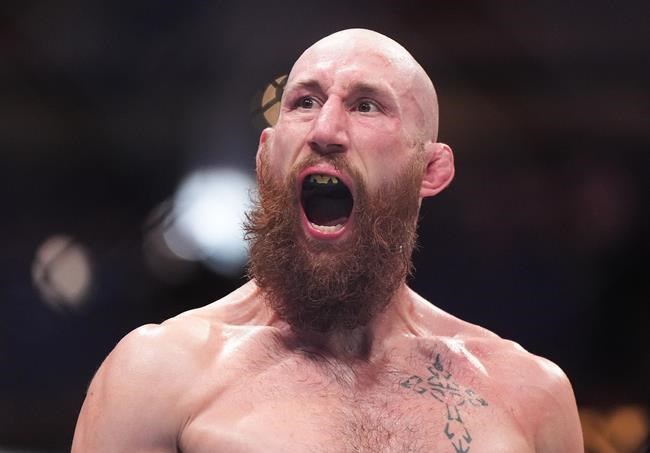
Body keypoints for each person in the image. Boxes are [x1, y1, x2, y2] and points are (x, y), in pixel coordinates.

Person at [72, 28, 583, 452]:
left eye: (366, 106)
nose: (325, 129)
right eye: (304, 102)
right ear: (266, 154)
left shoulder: (526, 395)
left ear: (430, 169)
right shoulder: (159, 374)